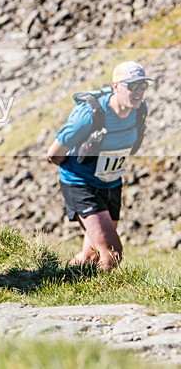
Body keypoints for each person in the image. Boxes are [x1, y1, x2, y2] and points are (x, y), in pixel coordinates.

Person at [46, 61, 151, 271]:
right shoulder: (91, 114)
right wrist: (79, 172)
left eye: (143, 86)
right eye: (132, 86)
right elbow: (54, 153)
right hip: (81, 184)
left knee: (92, 254)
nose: (138, 92)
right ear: (115, 87)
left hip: (111, 183)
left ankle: (53, 278)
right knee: (112, 253)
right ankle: (108, 298)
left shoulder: (139, 111)